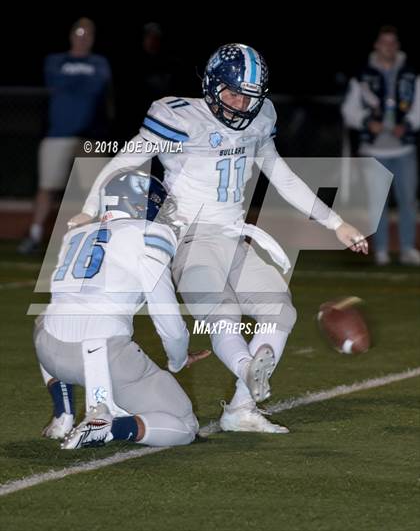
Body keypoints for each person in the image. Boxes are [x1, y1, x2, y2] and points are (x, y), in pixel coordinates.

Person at [68, 43, 368, 434]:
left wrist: (335, 222)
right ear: (212, 85)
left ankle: (241, 408)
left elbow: (282, 176)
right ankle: (247, 368)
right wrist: (90, 208)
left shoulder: (261, 119)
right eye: (233, 94)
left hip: (233, 237)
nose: (241, 105)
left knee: (280, 310)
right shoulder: (179, 117)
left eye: (249, 97)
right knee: (221, 315)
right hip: (190, 239)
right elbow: (127, 158)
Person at [35, 170, 209, 449]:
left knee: (48, 316)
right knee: (184, 424)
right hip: (102, 354)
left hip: (49, 349)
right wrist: (178, 359)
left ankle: (63, 414)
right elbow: (166, 315)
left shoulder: (77, 234)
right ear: (139, 206)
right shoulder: (150, 233)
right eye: (159, 206)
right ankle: (109, 428)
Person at [19, 17, 113, 254]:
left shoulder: (100, 62)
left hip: (92, 136)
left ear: (93, 38)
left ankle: (95, 240)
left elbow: (98, 85)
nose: (83, 38)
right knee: (47, 186)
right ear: (71, 35)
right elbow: (57, 81)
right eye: (79, 33)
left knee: (96, 190)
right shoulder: (55, 60)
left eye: (88, 34)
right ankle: (34, 235)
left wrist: (74, 84)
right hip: (58, 134)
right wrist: (82, 84)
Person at [342, 25, 420, 266]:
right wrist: (367, 122)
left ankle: (407, 249)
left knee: (408, 201)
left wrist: (407, 125)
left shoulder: (410, 73)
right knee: (377, 204)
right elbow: (349, 111)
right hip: (374, 151)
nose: (389, 47)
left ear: (398, 45)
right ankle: (382, 250)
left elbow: (418, 107)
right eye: (384, 42)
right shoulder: (362, 75)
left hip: (404, 149)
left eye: (392, 42)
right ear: (376, 45)